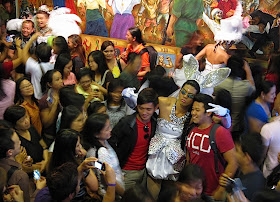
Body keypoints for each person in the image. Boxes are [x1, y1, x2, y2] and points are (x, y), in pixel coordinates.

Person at [146, 80, 200, 200]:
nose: (185, 97)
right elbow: (145, 105)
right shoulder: (164, 102)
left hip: (175, 157)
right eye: (183, 92)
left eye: (190, 95)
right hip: (156, 154)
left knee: (171, 195)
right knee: (152, 196)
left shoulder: (192, 116)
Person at [185, 93, 237, 200]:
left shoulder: (219, 132)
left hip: (212, 192)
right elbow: (189, 157)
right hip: (193, 190)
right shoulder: (191, 129)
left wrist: (221, 189)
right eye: (193, 109)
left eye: (197, 110)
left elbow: (233, 161)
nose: (193, 113)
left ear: (208, 112)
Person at [109, 88, 158, 190]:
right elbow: (111, 141)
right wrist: (117, 170)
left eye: (148, 109)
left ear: (156, 108)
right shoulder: (126, 123)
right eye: (141, 108)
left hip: (145, 171)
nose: (144, 112)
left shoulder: (155, 122)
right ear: (137, 106)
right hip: (127, 172)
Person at [47, 129, 99, 200]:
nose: (81, 147)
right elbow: (94, 186)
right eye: (78, 145)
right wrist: (83, 166)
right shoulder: (72, 169)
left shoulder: (54, 161)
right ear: (69, 149)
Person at [84, 113, 125, 197]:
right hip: (112, 192)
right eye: (107, 129)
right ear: (96, 134)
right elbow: (107, 177)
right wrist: (124, 194)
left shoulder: (104, 142)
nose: (110, 129)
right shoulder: (101, 153)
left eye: (109, 126)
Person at [35, 161, 117, 202]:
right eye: (78, 184)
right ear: (71, 195)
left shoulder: (43, 193)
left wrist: (80, 169)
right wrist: (111, 184)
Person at [214, 55, 255, 135]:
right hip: (237, 127)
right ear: (242, 69)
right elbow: (253, 88)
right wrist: (248, 70)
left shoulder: (219, 84)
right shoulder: (246, 87)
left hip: (220, 125)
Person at [220, 132, 266, 200]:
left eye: (237, 151)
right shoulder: (256, 175)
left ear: (247, 158)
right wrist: (228, 185)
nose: (234, 154)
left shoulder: (247, 187)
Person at [4, 105, 48, 173]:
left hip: (42, 164)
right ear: (14, 125)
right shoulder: (15, 141)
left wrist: (46, 161)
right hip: (33, 172)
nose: (27, 121)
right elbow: (22, 167)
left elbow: (44, 146)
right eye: (22, 121)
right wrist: (39, 167)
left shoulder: (31, 129)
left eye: (26, 117)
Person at [0, 127, 30, 202]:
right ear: (10, 152)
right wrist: (38, 189)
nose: (20, 142)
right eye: (17, 142)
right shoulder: (20, 176)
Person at [21, 32, 54, 99]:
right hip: (50, 97)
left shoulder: (34, 67)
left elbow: (23, 53)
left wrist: (32, 39)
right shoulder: (54, 65)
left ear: (36, 55)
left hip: (37, 97)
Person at [39, 69, 64, 146]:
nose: (61, 81)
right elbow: (46, 123)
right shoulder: (45, 100)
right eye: (57, 79)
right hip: (51, 137)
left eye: (61, 78)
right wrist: (54, 106)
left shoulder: (64, 93)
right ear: (49, 84)